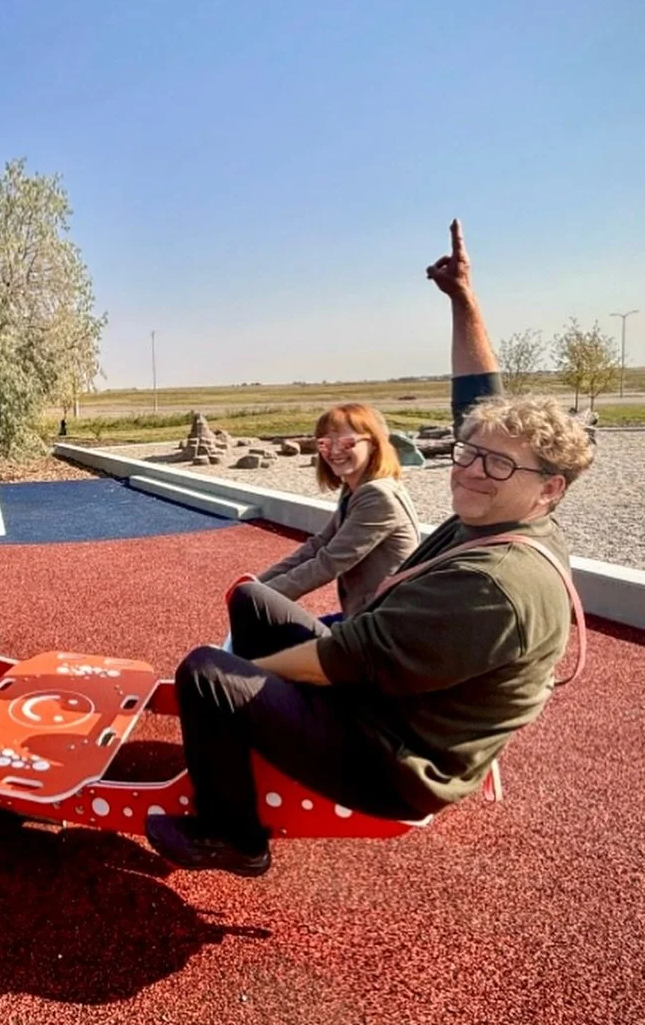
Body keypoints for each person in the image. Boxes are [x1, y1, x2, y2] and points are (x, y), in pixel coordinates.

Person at [146, 220, 595, 877]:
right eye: (469, 453)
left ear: (548, 489)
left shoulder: (498, 581)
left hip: (395, 755)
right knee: (251, 602)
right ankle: (243, 736)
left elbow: (348, 656)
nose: (468, 469)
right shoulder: (508, 511)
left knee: (206, 673)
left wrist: (248, 680)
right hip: (386, 694)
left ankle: (234, 836)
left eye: (495, 465)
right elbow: (477, 400)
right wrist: (462, 300)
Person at [230, 403, 420, 651]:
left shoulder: (378, 496)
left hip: (382, 633)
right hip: (362, 618)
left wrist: (263, 597)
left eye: (346, 442)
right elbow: (318, 545)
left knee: (273, 645)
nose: (334, 451)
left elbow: (329, 562)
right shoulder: (354, 489)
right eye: (325, 443)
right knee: (272, 635)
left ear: (373, 444)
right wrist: (257, 584)